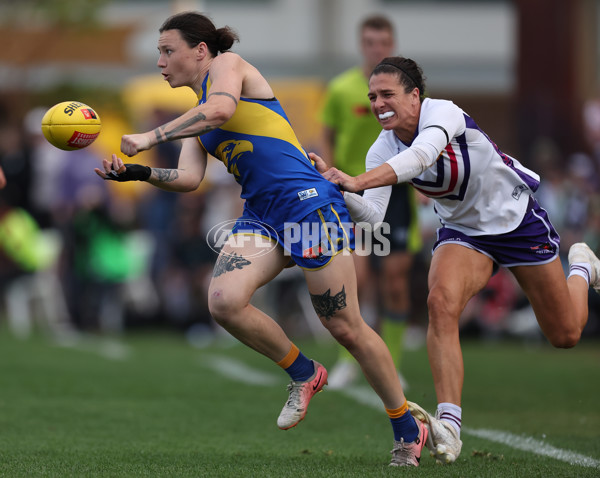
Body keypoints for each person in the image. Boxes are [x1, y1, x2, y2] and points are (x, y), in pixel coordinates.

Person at [94, 12, 428, 467]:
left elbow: (223, 109)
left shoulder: (228, 67)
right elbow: (190, 178)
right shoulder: (195, 110)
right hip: (262, 216)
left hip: (308, 205)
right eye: (159, 52)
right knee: (223, 301)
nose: (160, 61)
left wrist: (150, 136)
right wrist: (136, 172)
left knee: (345, 327)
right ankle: (304, 371)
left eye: (167, 50)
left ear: (200, 50)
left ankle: (408, 427)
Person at [315, 55, 600, 465]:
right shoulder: (381, 149)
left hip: (516, 220)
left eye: (387, 94)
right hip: (464, 233)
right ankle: (449, 424)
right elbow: (373, 214)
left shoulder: (443, 113)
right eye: (372, 96)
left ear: (415, 96)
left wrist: (356, 180)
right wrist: (338, 191)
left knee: (566, 334)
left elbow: (419, 160)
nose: (377, 103)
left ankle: (581, 265)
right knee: (439, 304)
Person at [320, 15, 421, 390]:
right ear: (361, 45)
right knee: (356, 281)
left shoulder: (407, 91)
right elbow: (326, 135)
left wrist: (427, 184)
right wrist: (328, 176)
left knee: (395, 281)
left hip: (398, 190)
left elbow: (422, 138)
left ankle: (391, 364)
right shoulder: (342, 88)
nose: (376, 49)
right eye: (369, 42)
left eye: (382, 43)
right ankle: (351, 359)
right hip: (352, 190)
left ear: (391, 45)